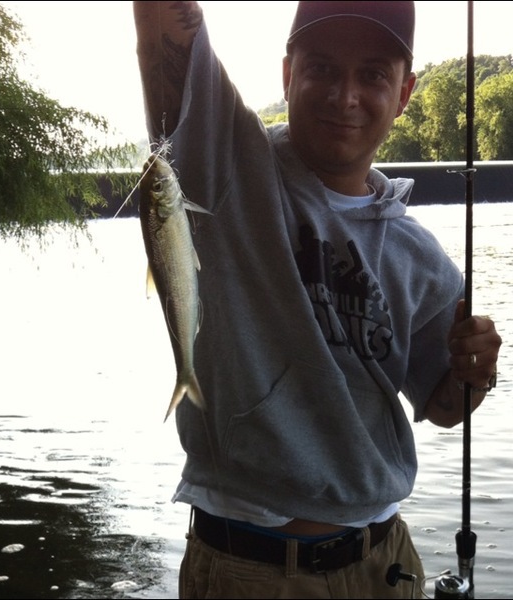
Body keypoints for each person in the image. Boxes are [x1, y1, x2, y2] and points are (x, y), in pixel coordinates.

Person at [133, 2, 502, 598]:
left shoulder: (424, 262)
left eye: (373, 74)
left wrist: (474, 376)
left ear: (404, 93)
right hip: (249, 572)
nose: (344, 96)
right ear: (288, 75)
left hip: (386, 565)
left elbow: (441, 407)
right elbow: (163, 24)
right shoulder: (229, 164)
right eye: (322, 68)